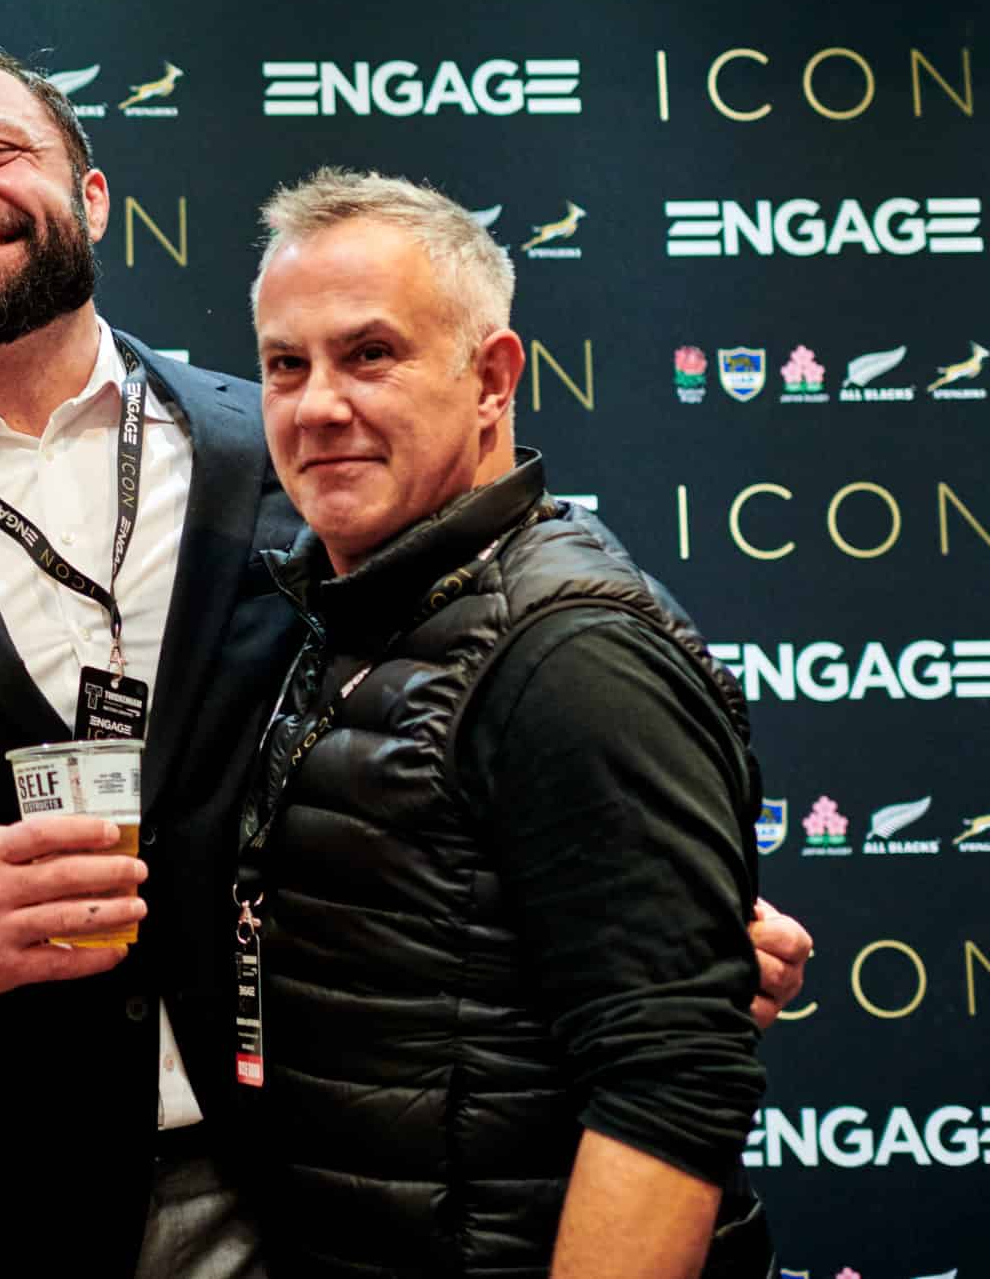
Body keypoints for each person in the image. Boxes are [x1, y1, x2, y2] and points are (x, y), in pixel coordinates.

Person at [0, 33, 811, 1279]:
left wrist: (633, 925)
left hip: (301, 1199)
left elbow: (452, 720)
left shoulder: (296, 447)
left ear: (92, 198)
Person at [238, 169, 770, 1279]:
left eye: (369, 354)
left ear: (491, 378)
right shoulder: (344, 610)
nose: (317, 405)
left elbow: (670, 1081)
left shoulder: (572, 652)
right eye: (286, 364)